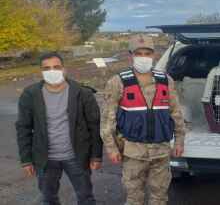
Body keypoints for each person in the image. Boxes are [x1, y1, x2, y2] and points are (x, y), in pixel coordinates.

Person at [101, 35, 185, 205]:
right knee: (134, 198)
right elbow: (107, 119)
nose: (143, 57)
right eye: (138, 53)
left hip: (161, 150)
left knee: (159, 196)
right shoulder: (118, 82)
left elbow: (176, 113)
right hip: (133, 152)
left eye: (147, 53)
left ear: (154, 55)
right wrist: (111, 148)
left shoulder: (165, 80)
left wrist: (179, 142)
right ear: (130, 55)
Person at [15, 52, 103, 205]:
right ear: (41, 71)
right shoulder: (30, 94)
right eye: (46, 68)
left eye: (56, 67)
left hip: (77, 157)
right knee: (48, 199)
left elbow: (94, 126)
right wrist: (26, 159)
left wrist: (96, 155)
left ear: (64, 69)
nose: (52, 71)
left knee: (85, 198)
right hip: (45, 159)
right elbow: (23, 128)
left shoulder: (82, 93)